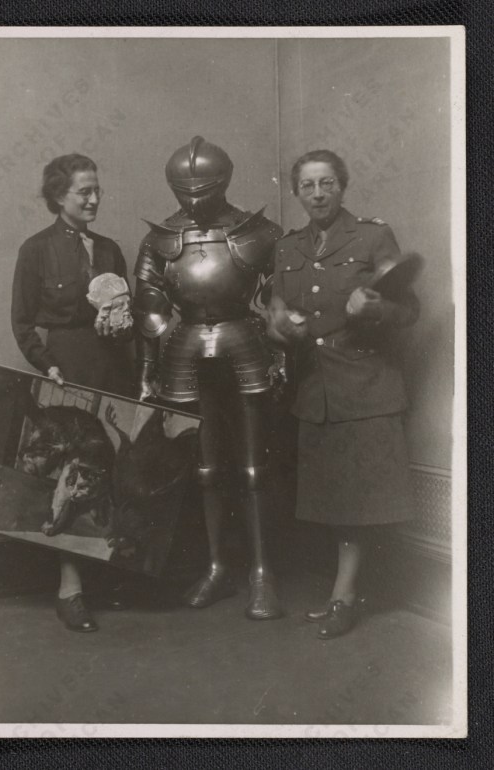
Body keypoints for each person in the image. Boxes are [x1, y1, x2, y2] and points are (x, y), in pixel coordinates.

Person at [268, 149, 419, 639]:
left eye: (327, 183)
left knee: (355, 501)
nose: (318, 194)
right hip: (316, 389)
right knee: (334, 498)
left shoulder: (372, 236)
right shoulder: (287, 248)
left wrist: (374, 307)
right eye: (308, 186)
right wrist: (281, 328)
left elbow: (408, 310)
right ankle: (345, 592)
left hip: (365, 384)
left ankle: (344, 597)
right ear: (297, 192)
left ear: (342, 186)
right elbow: (277, 315)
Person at [133, 136, 284, 620]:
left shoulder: (259, 232)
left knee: (254, 467)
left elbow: (280, 302)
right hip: (187, 348)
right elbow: (149, 313)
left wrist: (282, 359)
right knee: (206, 468)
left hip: (245, 341)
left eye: (203, 190)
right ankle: (218, 568)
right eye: (185, 191)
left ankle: (262, 574)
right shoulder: (159, 239)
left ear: (224, 182)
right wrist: (147, 371)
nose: (194, 201)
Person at [11, 153, 134, 632]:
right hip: (67, 372)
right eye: (84, 191)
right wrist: (49, 365)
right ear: (59, 196)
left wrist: (124, 330)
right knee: (73, 472)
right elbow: (23, 323)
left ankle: (106, 577)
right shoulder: (36, 250)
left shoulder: (110, 250)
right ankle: (71, 589)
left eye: (97, 190)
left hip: (113, 369)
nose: (94, 199)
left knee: (112, 467)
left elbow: (124, 318)